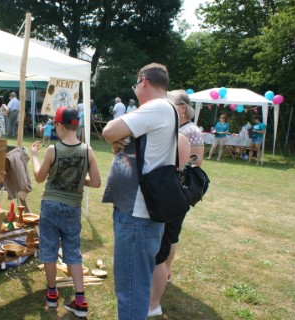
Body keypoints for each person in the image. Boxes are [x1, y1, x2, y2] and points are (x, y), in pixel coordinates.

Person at [101, 63, 190, 320]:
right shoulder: (165, 110)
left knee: (131, 290)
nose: (136, 87)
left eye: (135, 84)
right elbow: (119, 143)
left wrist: (114, 138)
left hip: (137, 215)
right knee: (133, 286)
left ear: (143, 81)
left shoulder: (158, 107)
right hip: (138, 212)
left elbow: (108, 131)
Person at [31, 107, 101, 318]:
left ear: (60, 126)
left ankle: (52, 295)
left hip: (51, 205)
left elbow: (39, 177)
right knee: (73, 250)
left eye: (56, 126)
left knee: (49, 249)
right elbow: (96, 182)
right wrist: (78, 181)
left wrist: (34, 155)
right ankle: (80, 300)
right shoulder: (88, 150)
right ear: (76, 125)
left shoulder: (53, 149)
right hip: (72, 207)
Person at [148, 90, 203, 317]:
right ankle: (165, 274)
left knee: (168, 236)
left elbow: (195, 162)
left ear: (181, 108)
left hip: (177, 192)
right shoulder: (184, 129)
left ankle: (162, 278)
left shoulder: (189, 130)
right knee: (170, 235)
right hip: (175, 192)